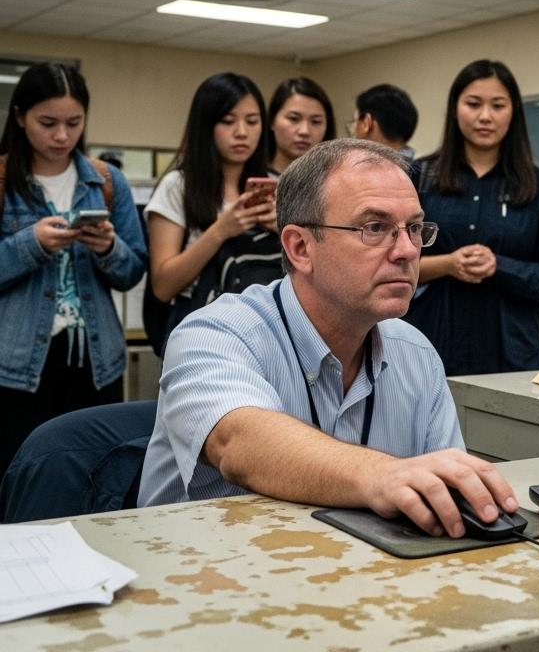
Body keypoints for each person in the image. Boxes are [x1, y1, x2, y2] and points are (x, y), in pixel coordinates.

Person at [140, 140, 519, 537]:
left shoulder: (417, 353)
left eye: (414, 228)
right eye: (375, 228)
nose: (407, 251)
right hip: (211, 579)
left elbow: (447, 491)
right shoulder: (216, 334)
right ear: (300, 248)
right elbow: (239, 444)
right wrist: (383, 475)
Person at [0, 63, 147, 474]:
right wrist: (30, 244)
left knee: (92, 474)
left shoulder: (105, 179)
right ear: (19, 117)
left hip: (95, 360)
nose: (62, 136)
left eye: (73, 123)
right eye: (47, 123)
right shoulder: (3, 179)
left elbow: (132, 272)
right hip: (15, 364)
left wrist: (108, 248)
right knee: (18, 476)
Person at [405, 60, 539, 376]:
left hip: (511, 353)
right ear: (455, 108)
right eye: (473, 104)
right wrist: (448, 263)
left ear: (514, 112)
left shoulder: (537, 185)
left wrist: (500, 265)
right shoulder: (420, 177)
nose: (485, 116)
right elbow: (389, 261)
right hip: (429, 345)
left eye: (497, 105)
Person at [145, 73, 279, 354]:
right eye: (228, 121)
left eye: (252, 121)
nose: (242, 132)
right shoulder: (178, 186)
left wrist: (281, 227)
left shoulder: (275, 183)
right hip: (200, 322)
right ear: (206, 126)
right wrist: (221, 230)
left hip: (265, 321)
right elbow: (162, 285)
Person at [265, 76, 335, 176]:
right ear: (272, 120)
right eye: (293, 119)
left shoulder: (332, 181)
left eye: (315, 121)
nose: (304, 131)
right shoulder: (249, 178)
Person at [351, 83, 418, 161]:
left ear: (367, 122)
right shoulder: (424, 169)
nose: (353, 131)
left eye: (355, 121)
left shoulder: (364, 170)